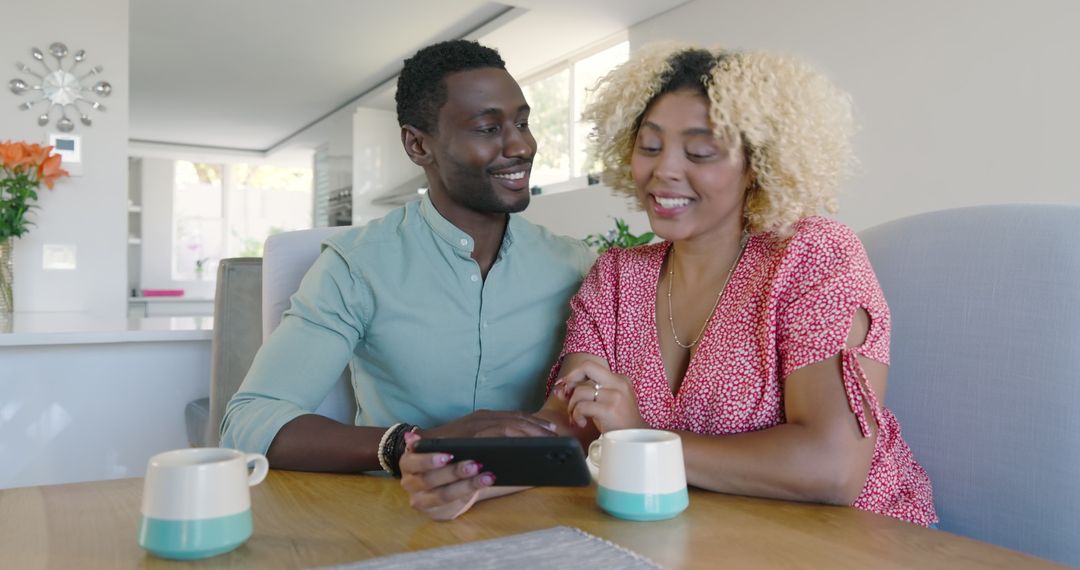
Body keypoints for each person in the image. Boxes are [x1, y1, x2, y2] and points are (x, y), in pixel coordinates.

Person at [400, 43, 938, 527]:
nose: (664, 171)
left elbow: (832, 467)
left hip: (851, 543)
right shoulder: (616, 276)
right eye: (650, 146)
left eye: (700, 152)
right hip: (698, 537)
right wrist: (471, 477)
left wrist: (638, 440)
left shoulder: (811, 257)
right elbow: (569, 431)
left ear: (757, 165)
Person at [220, 40, 595, 477]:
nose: (521, 146)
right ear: (418, 146)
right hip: (398, 511)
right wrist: (414, 443)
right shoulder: (356, 267)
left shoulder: (574, 264)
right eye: (488, 129)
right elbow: (249, 422)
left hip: (538, 508)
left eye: (523, 123)